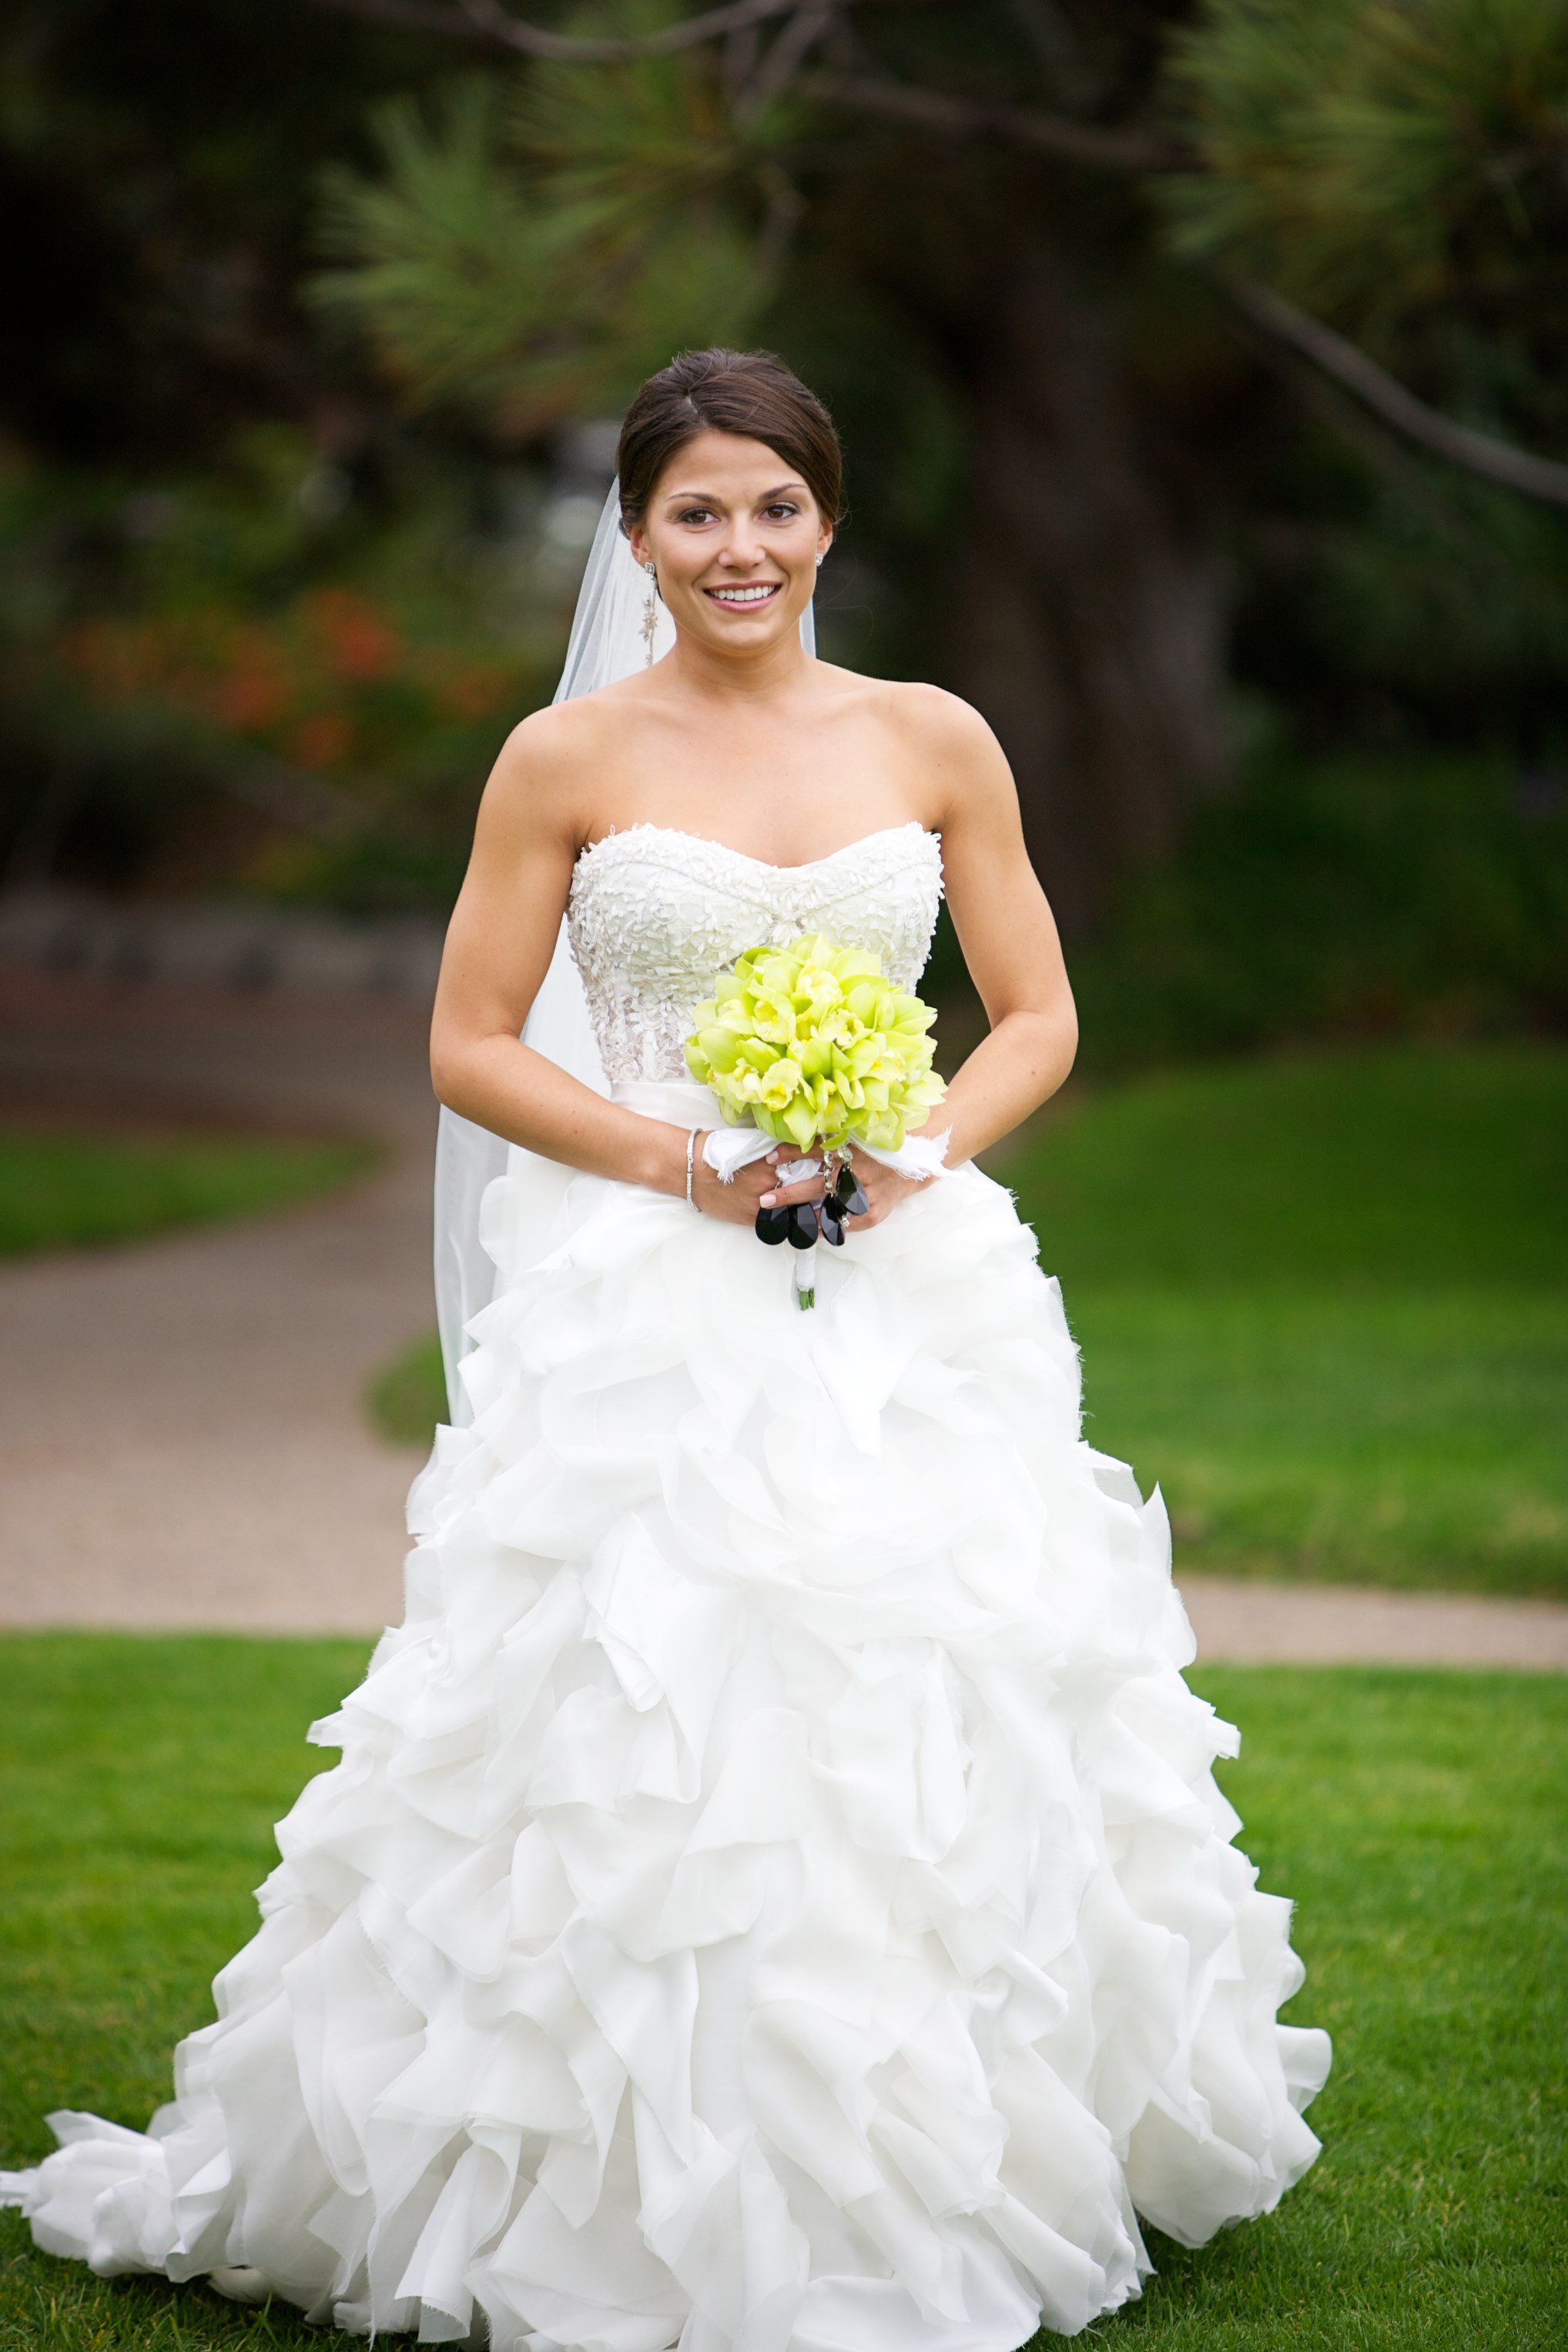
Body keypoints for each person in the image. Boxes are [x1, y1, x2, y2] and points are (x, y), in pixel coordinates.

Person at [2, 348, 1330, 2349]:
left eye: (775, 505)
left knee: (926, 1705)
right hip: (646, 1301)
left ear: (828, 520)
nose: (739, 546)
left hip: (908, 1295)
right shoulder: (563, 762)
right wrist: (683, 1162)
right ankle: (609, 2186)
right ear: (633, 536)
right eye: (696, 510)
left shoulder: (935, 737)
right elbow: (463, 1041)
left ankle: (963, 2147)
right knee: (648, 1718)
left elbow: (1036, 1012)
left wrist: (912, 1146)